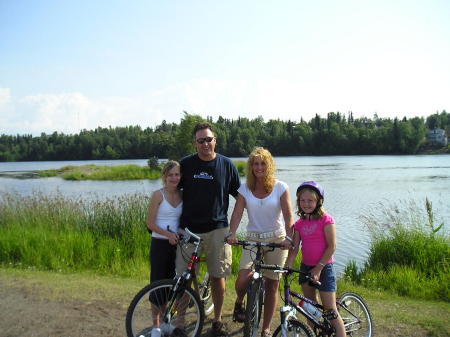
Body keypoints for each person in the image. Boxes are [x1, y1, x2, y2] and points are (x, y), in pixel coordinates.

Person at [176, 122, 240, 337]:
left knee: (218, 276)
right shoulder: (185, 165)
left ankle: (217, 320)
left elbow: (240, 198)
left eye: (208, 139)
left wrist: (234, 228)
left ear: (215, 141)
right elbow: (170, 190)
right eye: (200, 140)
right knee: (183, 277)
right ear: (195, 143)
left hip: (218, 230)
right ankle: (180, 323)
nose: (205, 144)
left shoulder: (227, 165)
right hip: (189, 231)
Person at [226, 147, 294, 337]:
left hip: (277, 240)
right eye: (255, 164)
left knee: (272, 285)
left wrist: (289, 238)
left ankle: (265, 328)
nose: (259, 167)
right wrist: (232, 233)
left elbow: (289, 216)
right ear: (251, 166)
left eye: (263, 163)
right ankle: (240, 302)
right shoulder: (245, 188)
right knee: (242, 279)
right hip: (253, 239)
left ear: (269, 165)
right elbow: (237, 213)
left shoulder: (280, 187)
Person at [285, 181, 346, 337]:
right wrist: (288, 266)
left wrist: (318, 268)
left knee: (330, 310)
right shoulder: (299, 224)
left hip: (324, 268)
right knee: (309, 307)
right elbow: (295, 248)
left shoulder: (326, 220)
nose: (306, 204)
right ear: (298, 202)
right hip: (306, 268)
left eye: (310, 201)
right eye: (302, 200)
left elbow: (332, 246)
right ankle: (312, 333)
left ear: (318, 201)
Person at [146, 160, 182, 337]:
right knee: (157, 286)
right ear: (164, 177)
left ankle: (166, 321)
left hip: (176, 246)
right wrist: (168, 235)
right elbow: (150, 223)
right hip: (160, 244)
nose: (174, 178)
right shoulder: (157, 195)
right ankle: (155, 326)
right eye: (170, 175)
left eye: (177, 174)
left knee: (171, 287)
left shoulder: (182, 195)